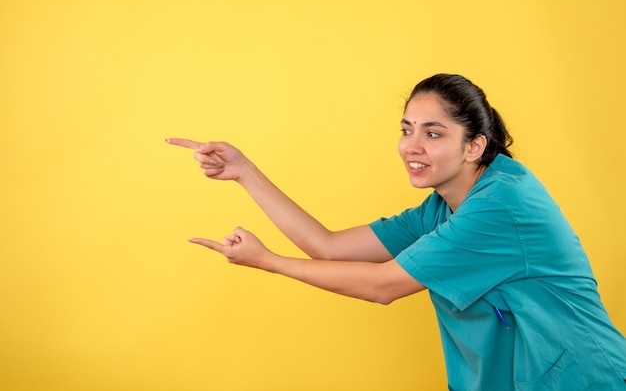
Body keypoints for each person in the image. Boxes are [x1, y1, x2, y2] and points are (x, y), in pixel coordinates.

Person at [166, 73, 626, 390]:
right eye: (407, 129)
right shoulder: (441, 208)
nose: (411, 146)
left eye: (433, 133)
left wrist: (268, 262)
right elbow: (327, 246)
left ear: (475, 146)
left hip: (582, 379)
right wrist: (244, 171)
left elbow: (384, 285)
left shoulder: (501, 207)